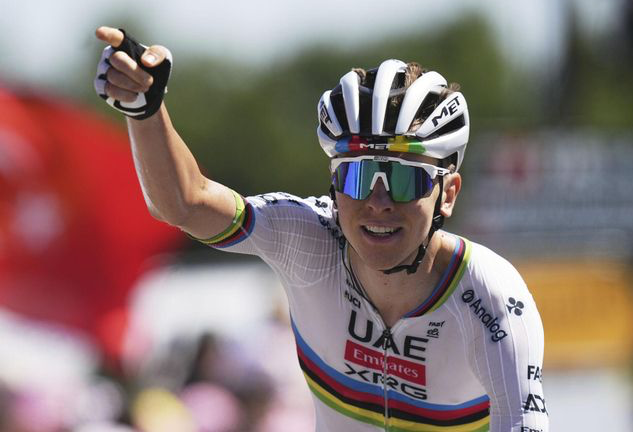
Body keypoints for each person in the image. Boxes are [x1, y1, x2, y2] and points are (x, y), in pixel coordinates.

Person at [93, 26, 549, 432]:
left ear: (447, 193)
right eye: (357, 176)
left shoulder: (489, 299)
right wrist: (145, 110)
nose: (378, 203)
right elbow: (186, 203)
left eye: (405, 180)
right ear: (333, 183)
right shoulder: (306, 240)